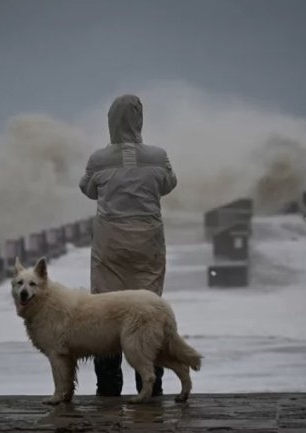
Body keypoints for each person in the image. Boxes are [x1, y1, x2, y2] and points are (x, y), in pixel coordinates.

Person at [79, 94, 177, 397]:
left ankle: (108, 387)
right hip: (147, 242)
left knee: (105, 311)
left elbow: (88, 189)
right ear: (139, 120)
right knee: (146, 311)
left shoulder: (99, 158)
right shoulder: (158, 156)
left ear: (111, 121)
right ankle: (150, 386)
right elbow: (169, 184)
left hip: (110, 244)